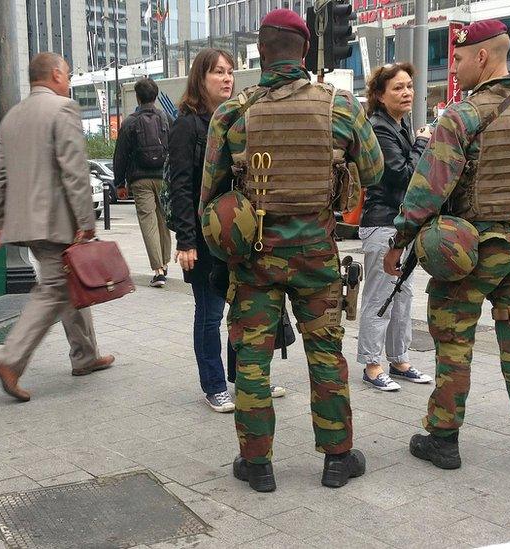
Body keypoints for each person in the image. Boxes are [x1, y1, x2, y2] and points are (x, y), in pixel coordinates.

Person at [200, 9, 383, 492]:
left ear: (260, 50)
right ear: (305, 51)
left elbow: (211, 197)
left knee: (253, 359)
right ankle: (338, 458)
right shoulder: (340, 107)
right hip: (317, 257)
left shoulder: (232, 113)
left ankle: (257, 464)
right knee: (326, 353)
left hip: (256, 259)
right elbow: (377, 172)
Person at [384, 20, 510, 474]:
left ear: (482, 57)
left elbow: (426, 191)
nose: (455, 66)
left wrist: (400, 242)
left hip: (470, 251)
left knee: (454, 343)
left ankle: (443, 441)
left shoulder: (462, 115)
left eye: (460, 58)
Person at [0, 52, 114, 402]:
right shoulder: (62, 108)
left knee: (69, 281)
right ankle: (9, 359)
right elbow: (74, 171)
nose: (69, 80)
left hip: (25, 222)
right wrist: (86, 222)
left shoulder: (12, 116)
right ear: (56, 74)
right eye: (68, 74)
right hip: (57, 221)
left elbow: (1, 176)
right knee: (54, 288)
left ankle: (85, 355)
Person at [168, 49, 287, 414]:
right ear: (200, 78)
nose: (227, 78)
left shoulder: (236, 119)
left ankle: (245, 377)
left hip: (237, 235)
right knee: (209, 313)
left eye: (230, 72)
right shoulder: (187, 125)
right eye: (218, 72)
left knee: (244, 309)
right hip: (204, 237)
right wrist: (185, 241)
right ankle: (214, 385)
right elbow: (181, 187)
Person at [357, 62, 433, 392]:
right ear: (379, 95)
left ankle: (399, 359)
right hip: (383, 224)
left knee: (401, 296)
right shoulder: (378, 127)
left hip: (401, 224)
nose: (406, 93)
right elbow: (403, 176)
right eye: (397, 88)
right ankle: (372, 365)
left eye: (408, 87)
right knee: (380, 296)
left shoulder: (399, 125)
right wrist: (421, 144)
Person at [113, 78, 172, 287]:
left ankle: (158, 271)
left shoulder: (130, 122)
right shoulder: (165, 118)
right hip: (163, 178)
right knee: (164, 222)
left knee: (149, 223)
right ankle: (164, 264)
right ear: (155, 96)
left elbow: (120, 155)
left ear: (138, 97)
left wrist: (119, 183)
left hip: (140, 180)